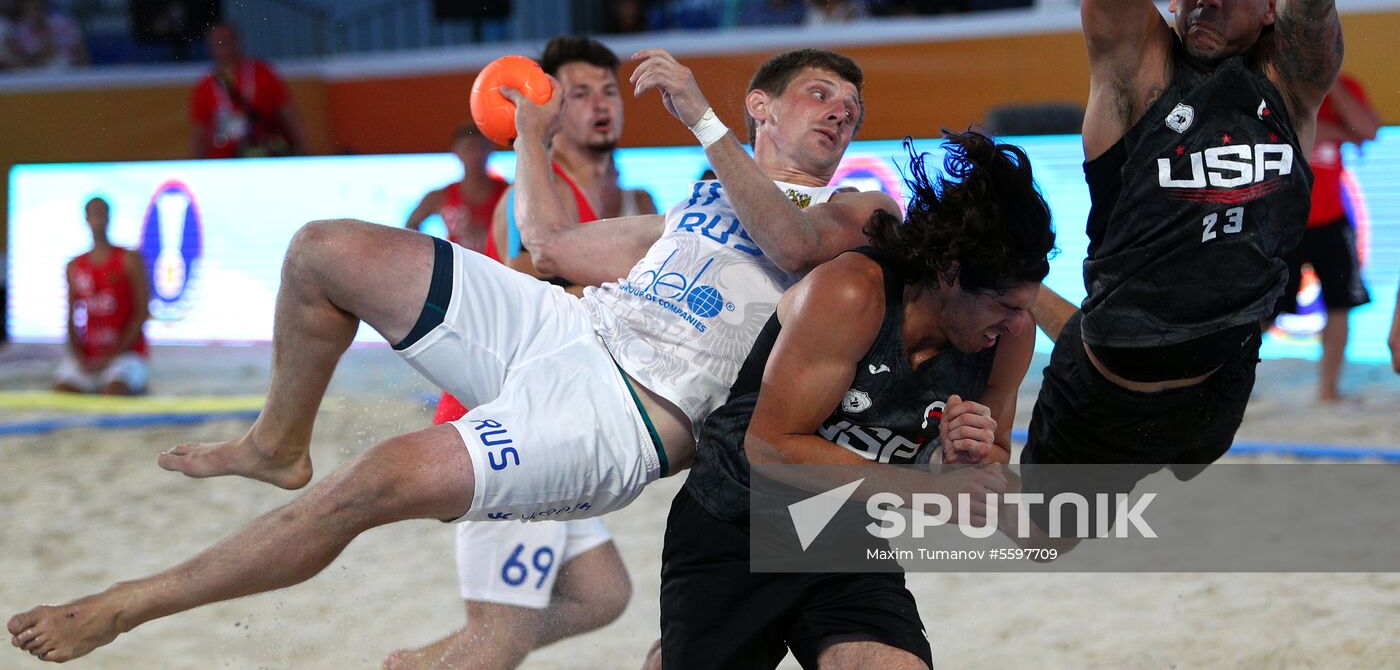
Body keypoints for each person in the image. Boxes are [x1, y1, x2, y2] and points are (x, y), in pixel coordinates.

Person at [8, 48, 897, 661]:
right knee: (325, 248)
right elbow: (549, 245)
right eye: (822, 95)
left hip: (629, 413)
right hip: (571, 330)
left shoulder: (853, 208)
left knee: (373, 484)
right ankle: (278, 444)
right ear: (765, 107)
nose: (841, 115)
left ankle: (125, 606)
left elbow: (787, 243)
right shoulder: (702, 202)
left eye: (851, 111)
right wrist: (529, 134)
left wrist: (699, 117)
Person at [1021, 0, 1393, 506]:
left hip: (1223, 386)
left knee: (1185, 463)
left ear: (1267, 6)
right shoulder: (1138, 69)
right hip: (1114, 383)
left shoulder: (1287, 80)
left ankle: (1017, 287)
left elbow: (1314, 4)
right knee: (1041, 541)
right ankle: (1015, 291)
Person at [658, 132, 1055, 670]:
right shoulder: (853, 292)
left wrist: (962, 458)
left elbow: (989, 465)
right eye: (1003, 304)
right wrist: (929, 490)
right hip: (738, 521)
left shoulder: (1010, 334)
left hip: (842, 531)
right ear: (949, 273)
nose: (1013, 323)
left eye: (1022, 307)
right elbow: (770, 448)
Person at [388, 37, 637, 670]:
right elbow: (519, 299)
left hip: (561, 424)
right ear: (546, 107)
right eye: (579, 94)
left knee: (603, 594)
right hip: (511, 426)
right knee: (500, 638)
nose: (600, 105)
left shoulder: (607, 201)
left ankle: (422, 664)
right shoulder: (533, 196)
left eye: (609, 90)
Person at [1274, 72, 1381, 403]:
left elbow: (1370, 130)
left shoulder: (1343, 87)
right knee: (1263, 309)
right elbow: (1279, 134)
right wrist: (1334, 133)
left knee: (1341, 304)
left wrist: (1331, 84)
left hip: (1332, 218)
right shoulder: (1277, 83)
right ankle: (1236, 385)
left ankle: (1328, 390)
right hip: (1284, 221)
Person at [56, 197, 150, 396]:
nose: (97, 218)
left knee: (113, 392)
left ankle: (138, 385)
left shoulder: (129, 259)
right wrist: (78, 355)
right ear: (86, 218)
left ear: (109, 217)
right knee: (61, 392)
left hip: (126, 354)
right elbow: (71, 317)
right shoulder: (74, 266)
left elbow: (142, 312)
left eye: (101, 212)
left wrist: (113, 355)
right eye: (93, 213)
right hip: (89, 356)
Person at [190, 22, 307, 159]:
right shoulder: (205, 85)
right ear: (210, 46)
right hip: (223, 162)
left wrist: (305, 153)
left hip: (262, 157)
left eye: (226, 40)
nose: (222, 46)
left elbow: (289, 115)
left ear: (237, 41)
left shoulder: (262, 73)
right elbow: (199, 132)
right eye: (217, 42)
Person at [405, 123, 509, 256]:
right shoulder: (440, 196)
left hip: (500, 270)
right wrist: (430, 254)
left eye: (481, 147)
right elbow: (411, 224)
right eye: (469, 148)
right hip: (458, 270)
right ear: (457, 152)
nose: (476, 155)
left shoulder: (508, 193)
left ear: (491, 149)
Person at [3, 0, 88, 69]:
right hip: (37, 77)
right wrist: (39, 55)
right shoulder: (16, 31)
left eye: (35, 0)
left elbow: (81, 54)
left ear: (43, 1)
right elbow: (20, 62)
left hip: (68, 74)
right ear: (21, 5)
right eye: (28, 2)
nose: (32, 6)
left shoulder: (64, 23)